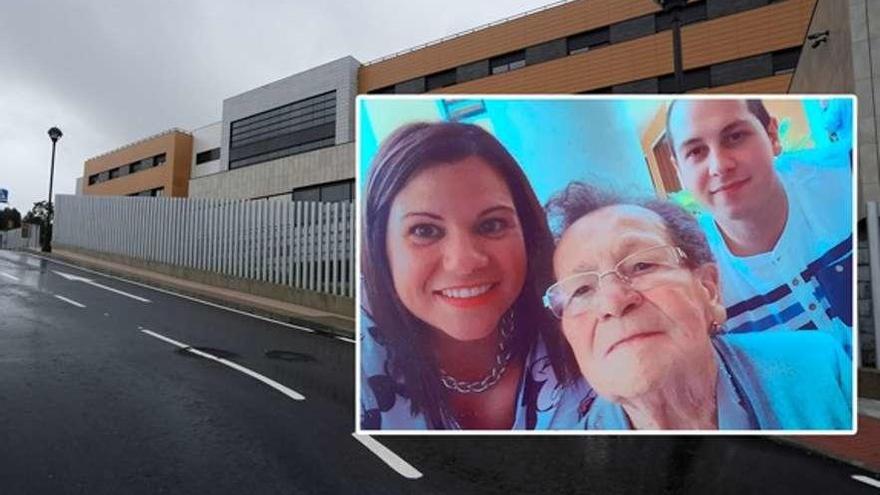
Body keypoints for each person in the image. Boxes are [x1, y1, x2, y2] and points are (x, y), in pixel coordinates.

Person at [543, 182, 852, 430]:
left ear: (709, 290)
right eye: (581, 289)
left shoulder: (821, 370)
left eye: (642, 265)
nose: (613, 301)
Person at [360, 121, 581, 430]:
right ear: (380, 247)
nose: (465, 262)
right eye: (425, 230)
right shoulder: (357, 356)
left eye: (491, 225)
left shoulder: (585, 315)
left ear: (526, 232)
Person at [665, 99, 852, 355]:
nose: (719, 166)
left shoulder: (848, 175)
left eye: (735, 136)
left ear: (772, 136)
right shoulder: (692, 281)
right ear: (679, 171)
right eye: (696, 152)